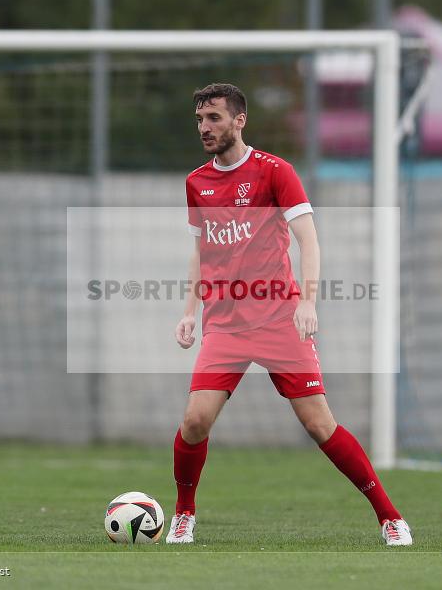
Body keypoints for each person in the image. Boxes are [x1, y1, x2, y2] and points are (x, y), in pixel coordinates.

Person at [167, 84, 412, 546]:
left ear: (239, 120)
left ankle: (390, 517)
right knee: (195, 420)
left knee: (319, 424)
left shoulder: (275, 172)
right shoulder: (196, 182)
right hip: (226, 324)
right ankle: (183, 514)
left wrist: (307, 302)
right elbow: (201, 250)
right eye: (200, 120)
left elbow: (308, 239)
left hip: (280, 318)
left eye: (214, 118)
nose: (205, 128)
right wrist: (189, 311)